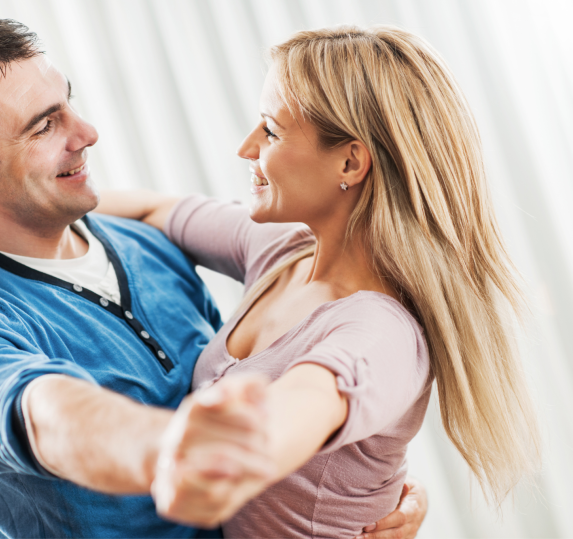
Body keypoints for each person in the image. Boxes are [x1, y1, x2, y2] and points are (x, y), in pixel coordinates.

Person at [0, 16, 427, 539]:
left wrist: (364, 493)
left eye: (68, 103)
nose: (88, 133)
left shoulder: (147, 244)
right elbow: (51, 416)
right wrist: (166, 449)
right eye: (44, 125)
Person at [95, 25, 541, 539]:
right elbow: (155, 210)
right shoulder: (284, 249)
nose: (246, 148)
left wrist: (238, 452)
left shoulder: (382, 332)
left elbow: (308, 399)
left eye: (270, 130)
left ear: (350, 161)